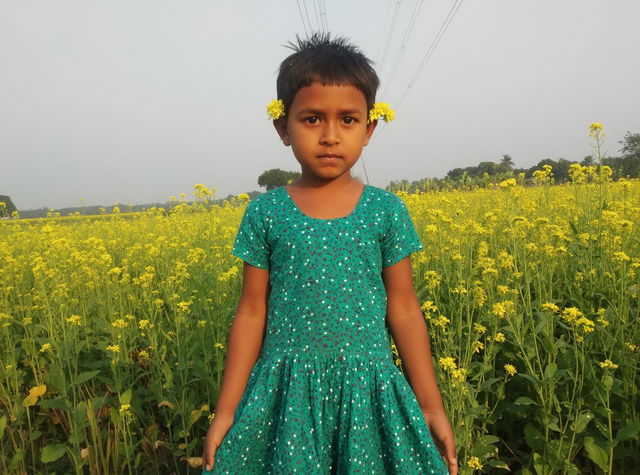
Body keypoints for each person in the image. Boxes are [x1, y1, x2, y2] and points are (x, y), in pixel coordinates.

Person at [202, 32, 457, 474]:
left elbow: (404, 308)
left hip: (369, 391)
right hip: (286, 398)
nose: (331, 136)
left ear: (369, 129)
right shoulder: (265, 212)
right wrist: (226, 411)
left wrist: (431, 406)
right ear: (283, 127)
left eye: (348, 120)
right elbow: (251, 312)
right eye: (313, 119)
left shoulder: (386, 211)